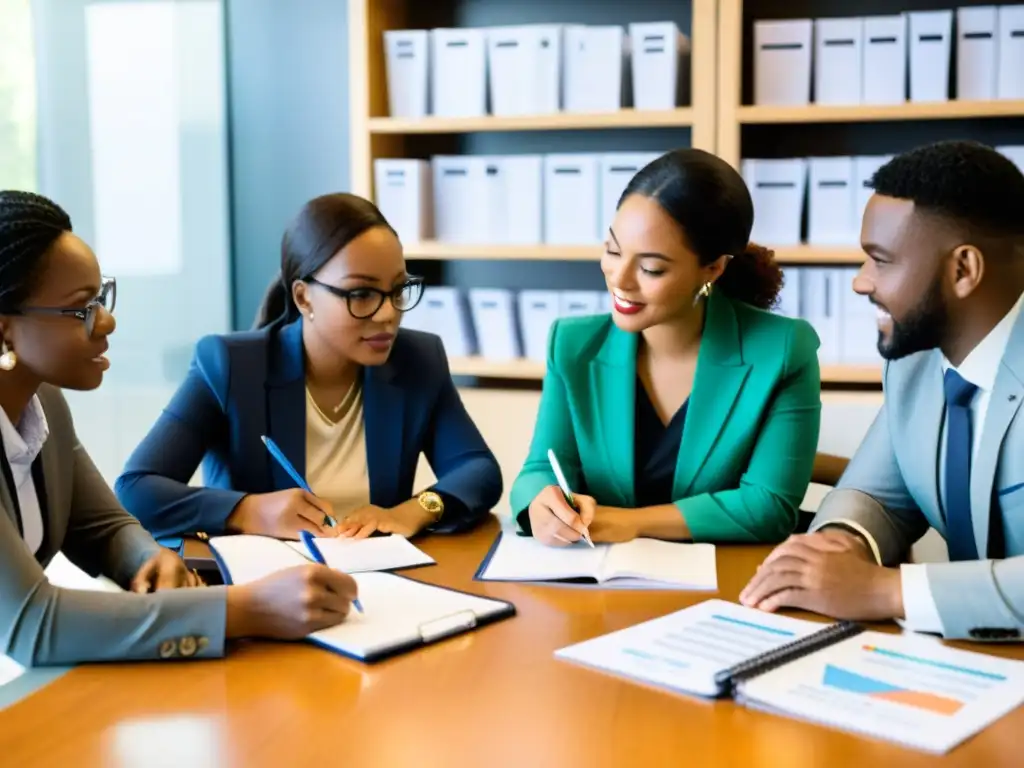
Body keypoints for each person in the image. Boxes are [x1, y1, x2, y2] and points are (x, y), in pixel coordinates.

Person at [0, 191, 357, 667]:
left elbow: (103, 528)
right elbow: (33, 625)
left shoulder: (43, 403)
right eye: (81, 309)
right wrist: (246, 609)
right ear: (5, 330)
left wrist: (147, 559)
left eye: (101, 297)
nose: (107, 321)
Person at [741, 140, 1024, 642]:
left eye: (881, 260)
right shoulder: (915, 363)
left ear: (963, 270)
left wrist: (886, 592)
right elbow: (877, 494)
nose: (860, 282)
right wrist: (835, 550)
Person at [116, 193, 501, 542]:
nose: (388, 314)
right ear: (303, 297)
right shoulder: (230, 364)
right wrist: (249, 511)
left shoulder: (417, 358)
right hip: (266, 591)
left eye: (398, 290)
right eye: (362, 294)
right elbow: (136, 490)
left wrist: (414, 511)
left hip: (383, 578)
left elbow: (478, 470)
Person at [509, 148, 822, 546]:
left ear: (713, 268)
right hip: (600, 586)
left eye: (651, 268)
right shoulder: (572, 345)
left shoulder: (782, 350)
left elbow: (769, 506)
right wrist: (539, 503)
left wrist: (634, 523)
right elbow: (539, 468)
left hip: (726, 582)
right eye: (612, 250)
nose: (620, 279)